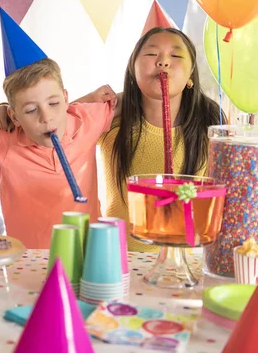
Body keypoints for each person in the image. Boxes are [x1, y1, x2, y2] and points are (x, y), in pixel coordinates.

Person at [0, 9, 116, 249]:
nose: (46, 118)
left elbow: (136, 101)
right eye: (30, 111)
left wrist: (93, 97)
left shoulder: (86, 120)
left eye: (54, 104)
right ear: (14, 116)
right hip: (27, 262)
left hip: (87, 256)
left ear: (66, 99)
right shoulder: (7, 139)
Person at [78, 27, 225, 252]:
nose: (163, 62)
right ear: (132, 67)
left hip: (184, 267)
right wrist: (93, 101)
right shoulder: (111, 119)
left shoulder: (211, 123)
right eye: (150, 54)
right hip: (116, 260)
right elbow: (55, 127)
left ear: (191, 74)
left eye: (175, 55)